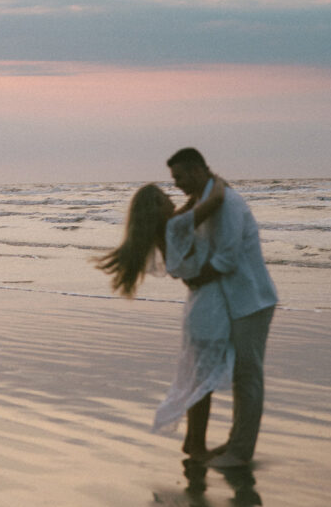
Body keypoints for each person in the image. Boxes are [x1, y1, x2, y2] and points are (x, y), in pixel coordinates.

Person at [95, 178, 231, 462]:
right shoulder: (175, 228)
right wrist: (214, 183)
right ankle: (197, 446)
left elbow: (190, 209)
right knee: (202, 380)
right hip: (206, 306)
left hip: (199, 305)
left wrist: (196, 195)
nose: (173, 200)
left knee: (198, 378)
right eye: (166, 196)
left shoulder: (165, 230)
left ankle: (194, 442)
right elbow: (214, 201)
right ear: (158, 206)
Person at [167, 147, 278, 469]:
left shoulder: (227, 203)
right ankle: (234, 443)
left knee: (247, 376)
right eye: (174, 179)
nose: (177, 184)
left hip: (251, 300)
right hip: (233, 300)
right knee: (240, 376)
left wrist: (195, 280)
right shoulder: (206, 201)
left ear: (200, 169)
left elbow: (226, 259)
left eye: (181, 176)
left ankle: (240, 452)